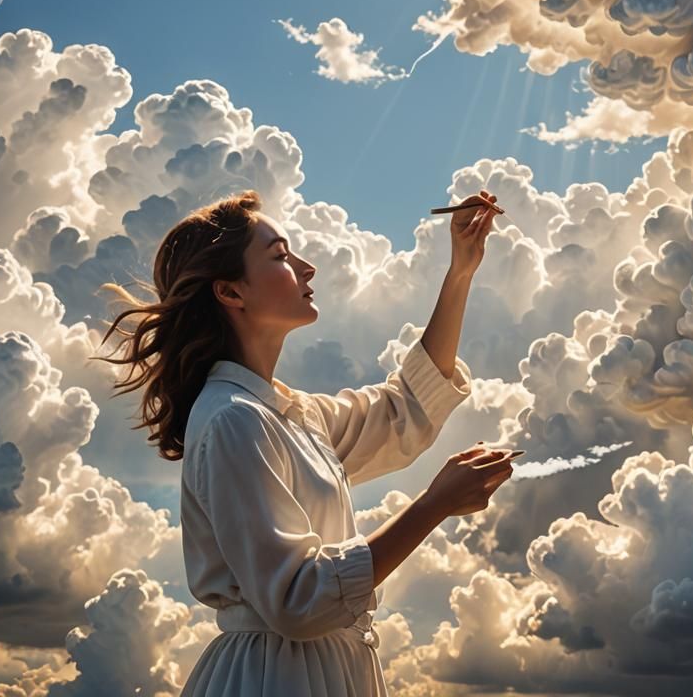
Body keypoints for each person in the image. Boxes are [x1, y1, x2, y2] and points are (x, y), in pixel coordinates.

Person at [94, 187, 515, 696]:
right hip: (275, 677)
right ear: (230, 292)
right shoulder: (234, 420)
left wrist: (461, 271)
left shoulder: (291, 415)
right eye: (280, 256)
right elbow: (297, 599)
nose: (307, 267)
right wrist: (434, 504)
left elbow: (405, 408)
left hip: (318, 670)